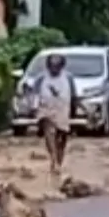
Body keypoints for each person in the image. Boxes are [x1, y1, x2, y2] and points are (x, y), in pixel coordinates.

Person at [34, 49, 76, 178]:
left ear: (62, 67)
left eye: (57, 67)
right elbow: (35, 94)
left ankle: (58, 161)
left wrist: (74, 110)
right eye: (52, 66)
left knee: (62, 138)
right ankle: (53, 158)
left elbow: (74, 95)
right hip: (46, 110)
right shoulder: (41, 78)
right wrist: (34, 107)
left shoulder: (68, 77)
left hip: (63, 110)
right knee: (49, 133)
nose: (54, 69)